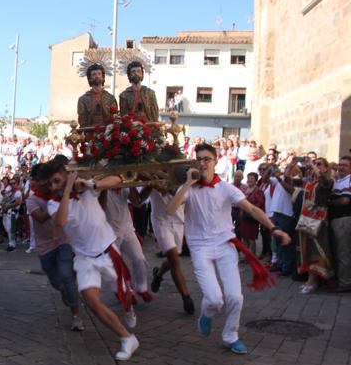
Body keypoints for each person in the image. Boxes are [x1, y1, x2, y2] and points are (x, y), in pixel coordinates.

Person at [166, 143, 290, 355]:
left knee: (235, 297)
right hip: (200, 247)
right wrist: (187, 184)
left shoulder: (226, 188)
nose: (203, 163)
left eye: (207, 159)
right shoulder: (188, 189)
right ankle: (207, 313)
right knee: (214, 299)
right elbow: (170, 210)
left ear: (215, 162)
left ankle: (231, 336)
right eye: (200, 159)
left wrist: (274, 227)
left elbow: (251, 209)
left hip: (225, 245)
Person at [45, 160, 139, 361]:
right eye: (50, 184)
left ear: (67, 175)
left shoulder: (87, 189)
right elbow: (60, 222)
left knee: (125, 295)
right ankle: (127, 338)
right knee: (92, 302)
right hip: (84, 258)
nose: (53, 187)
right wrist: (68, 187)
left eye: (56, 181)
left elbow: (117, 179)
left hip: (107, 251)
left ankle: (129, 308)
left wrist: (92, 185)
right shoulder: (53, 203)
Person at [28, 164, 84, 331]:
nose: (45, 183)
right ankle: (68, 291)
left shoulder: (59, 194)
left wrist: (64, 194)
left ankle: (76, 316)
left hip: (63, 242)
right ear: (35, 182)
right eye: (41, 180)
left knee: (67, 276)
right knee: (57, 283)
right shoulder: (32, 200)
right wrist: (59, 201)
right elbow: (40, 217)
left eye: (48, 179)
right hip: (45, 247)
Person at [141, 185, 195, 314]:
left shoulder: (182, 175)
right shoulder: (153, 173)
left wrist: (167, 188)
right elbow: (139, 201)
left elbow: (184, 198)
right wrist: (150, 184)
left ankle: (159, 274)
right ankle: (186, 297)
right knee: (175, 259)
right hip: (160, 221)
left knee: (173, 259)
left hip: (178, 221)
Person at [103, 187, 153, 302]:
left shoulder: (124, 186)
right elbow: (101, 207)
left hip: (127, 230)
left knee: (139, 258)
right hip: (109, 232)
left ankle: (141, 287)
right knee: (116, 265)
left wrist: (131, 184)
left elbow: (137, 203)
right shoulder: (102, 186)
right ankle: (123, 291)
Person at [296, 158, 333, 294]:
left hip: (319, 219)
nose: (315, 167)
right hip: (306, 218)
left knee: (317, 249)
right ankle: (309, 279)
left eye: (319, 164)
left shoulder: (326, 182)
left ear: (325, 168)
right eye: (314, 164)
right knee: (306, 248)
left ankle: (314, 281)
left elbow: (324, 179)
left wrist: (312, 165)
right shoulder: (311, 183)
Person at [329, 155, 351, 291]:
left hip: (345, 219)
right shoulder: (339, 181)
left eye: (345, 165)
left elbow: (345, 201)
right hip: (337, 220)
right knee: (339, 252)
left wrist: (329, 203)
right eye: (340, 164)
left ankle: (345, 283)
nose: (341, 167)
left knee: (343, 253)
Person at [238, 172, 265, 255]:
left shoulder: (258, 191)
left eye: (252, 178)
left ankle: (252, 256)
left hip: (252, 216)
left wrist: (249, 204)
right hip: (244, 216)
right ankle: (246, 255)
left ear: (256, 180)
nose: (250, 180)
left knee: (251, 238)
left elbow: (260, 203)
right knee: (244, 237)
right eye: (249, 178)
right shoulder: (246, 189)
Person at [2, 174, 23, 252]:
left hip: (13, 213)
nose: (13, 184)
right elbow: (3, 196)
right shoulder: (10, 191)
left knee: (11, 229)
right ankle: (11, 243)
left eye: (14, 183)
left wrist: (8, 206)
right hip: (7, 212)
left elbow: (18, 202)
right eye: (11, 183)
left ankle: (12, 244)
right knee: (7, 228)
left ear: (16, 183)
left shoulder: (17, 192)